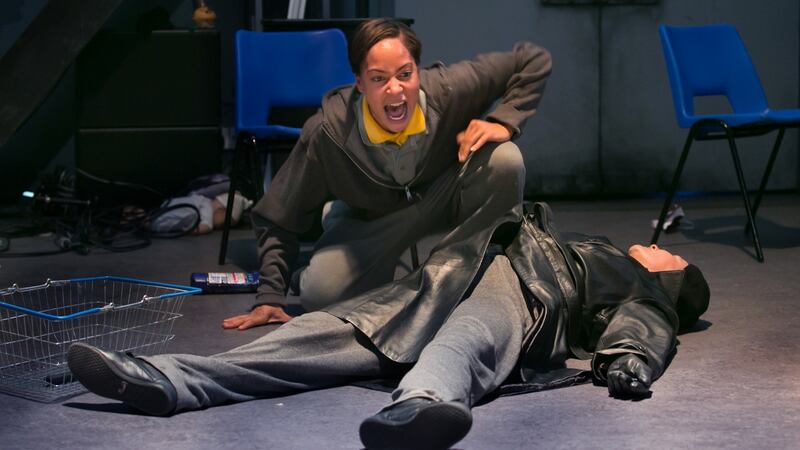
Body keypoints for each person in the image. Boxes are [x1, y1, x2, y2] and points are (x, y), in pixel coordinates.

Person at [67, 202, 710, 450]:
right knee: (327, 330)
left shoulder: (645, 285)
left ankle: (422, 403)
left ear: (674, 273)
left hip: (524, 284)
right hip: (449, 273)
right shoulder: (610, 251)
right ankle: (172, 379)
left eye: (669, 255)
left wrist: (630, 359)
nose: (656, 247)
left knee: (469, 338)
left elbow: (645, 324)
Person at [221, 18, 553, 329]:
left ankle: (478, 272)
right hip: (373, 219)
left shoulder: (449, 88)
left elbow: (532, 59)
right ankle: (339, 218)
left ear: (418, 73)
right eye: (379, 78)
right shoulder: (328, 131)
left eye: (405, 74)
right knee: (320, 296)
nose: (395, 90)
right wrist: (270, 295)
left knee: (505, 158)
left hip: (443, 195)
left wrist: (503, 121)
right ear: (360, 83)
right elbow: (279, 214)